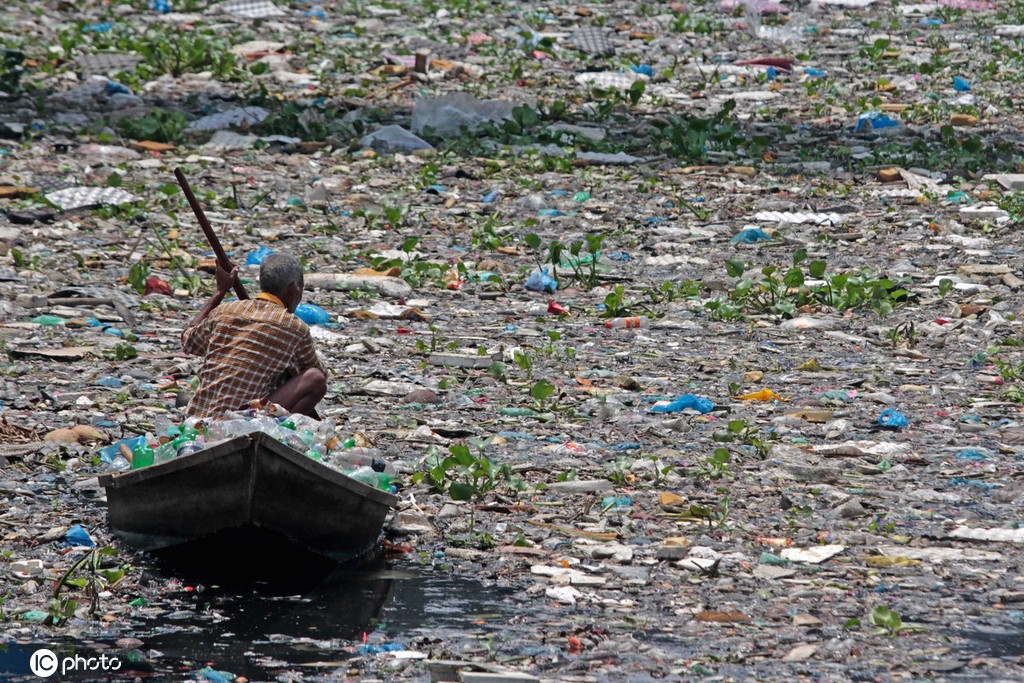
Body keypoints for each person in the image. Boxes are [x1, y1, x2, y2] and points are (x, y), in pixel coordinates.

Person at [181, 252, 327, 418]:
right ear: (293, 288)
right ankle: (274, 436)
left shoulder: (225, 311)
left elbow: (189, 341)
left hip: (198, 418)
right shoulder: (292, 326)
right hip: (239, 422)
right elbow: (317, 373)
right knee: (314, 378)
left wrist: (220, 291)